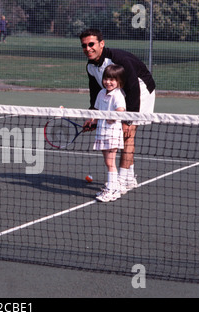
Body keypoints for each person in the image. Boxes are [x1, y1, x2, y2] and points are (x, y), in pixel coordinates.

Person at [80, 29, 156, 195]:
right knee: (125, 135)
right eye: (84, 46)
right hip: (122, 91)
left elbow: (133, 88)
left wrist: (129, 120)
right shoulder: (91, 66)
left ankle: (120, 182)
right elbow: (95, 92)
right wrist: (93, 116)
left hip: (141, 89)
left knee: (127, 135)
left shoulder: (117, 61)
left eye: (91, 44)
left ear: (101, 44)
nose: (88, 48)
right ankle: (129, 178)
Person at [87, 64, 126, 202]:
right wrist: (93, 120)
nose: (108, 82)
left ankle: (112, 190)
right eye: (106, 79)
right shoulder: (101, 93)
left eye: (112, 79)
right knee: (107, 161)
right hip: (101, 132)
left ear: (119, 81)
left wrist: (113, 116)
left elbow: (121, 110)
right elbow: (97, 111)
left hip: (112, 133)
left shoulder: (118, 94)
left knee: (110, 162)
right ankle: (112, 186)